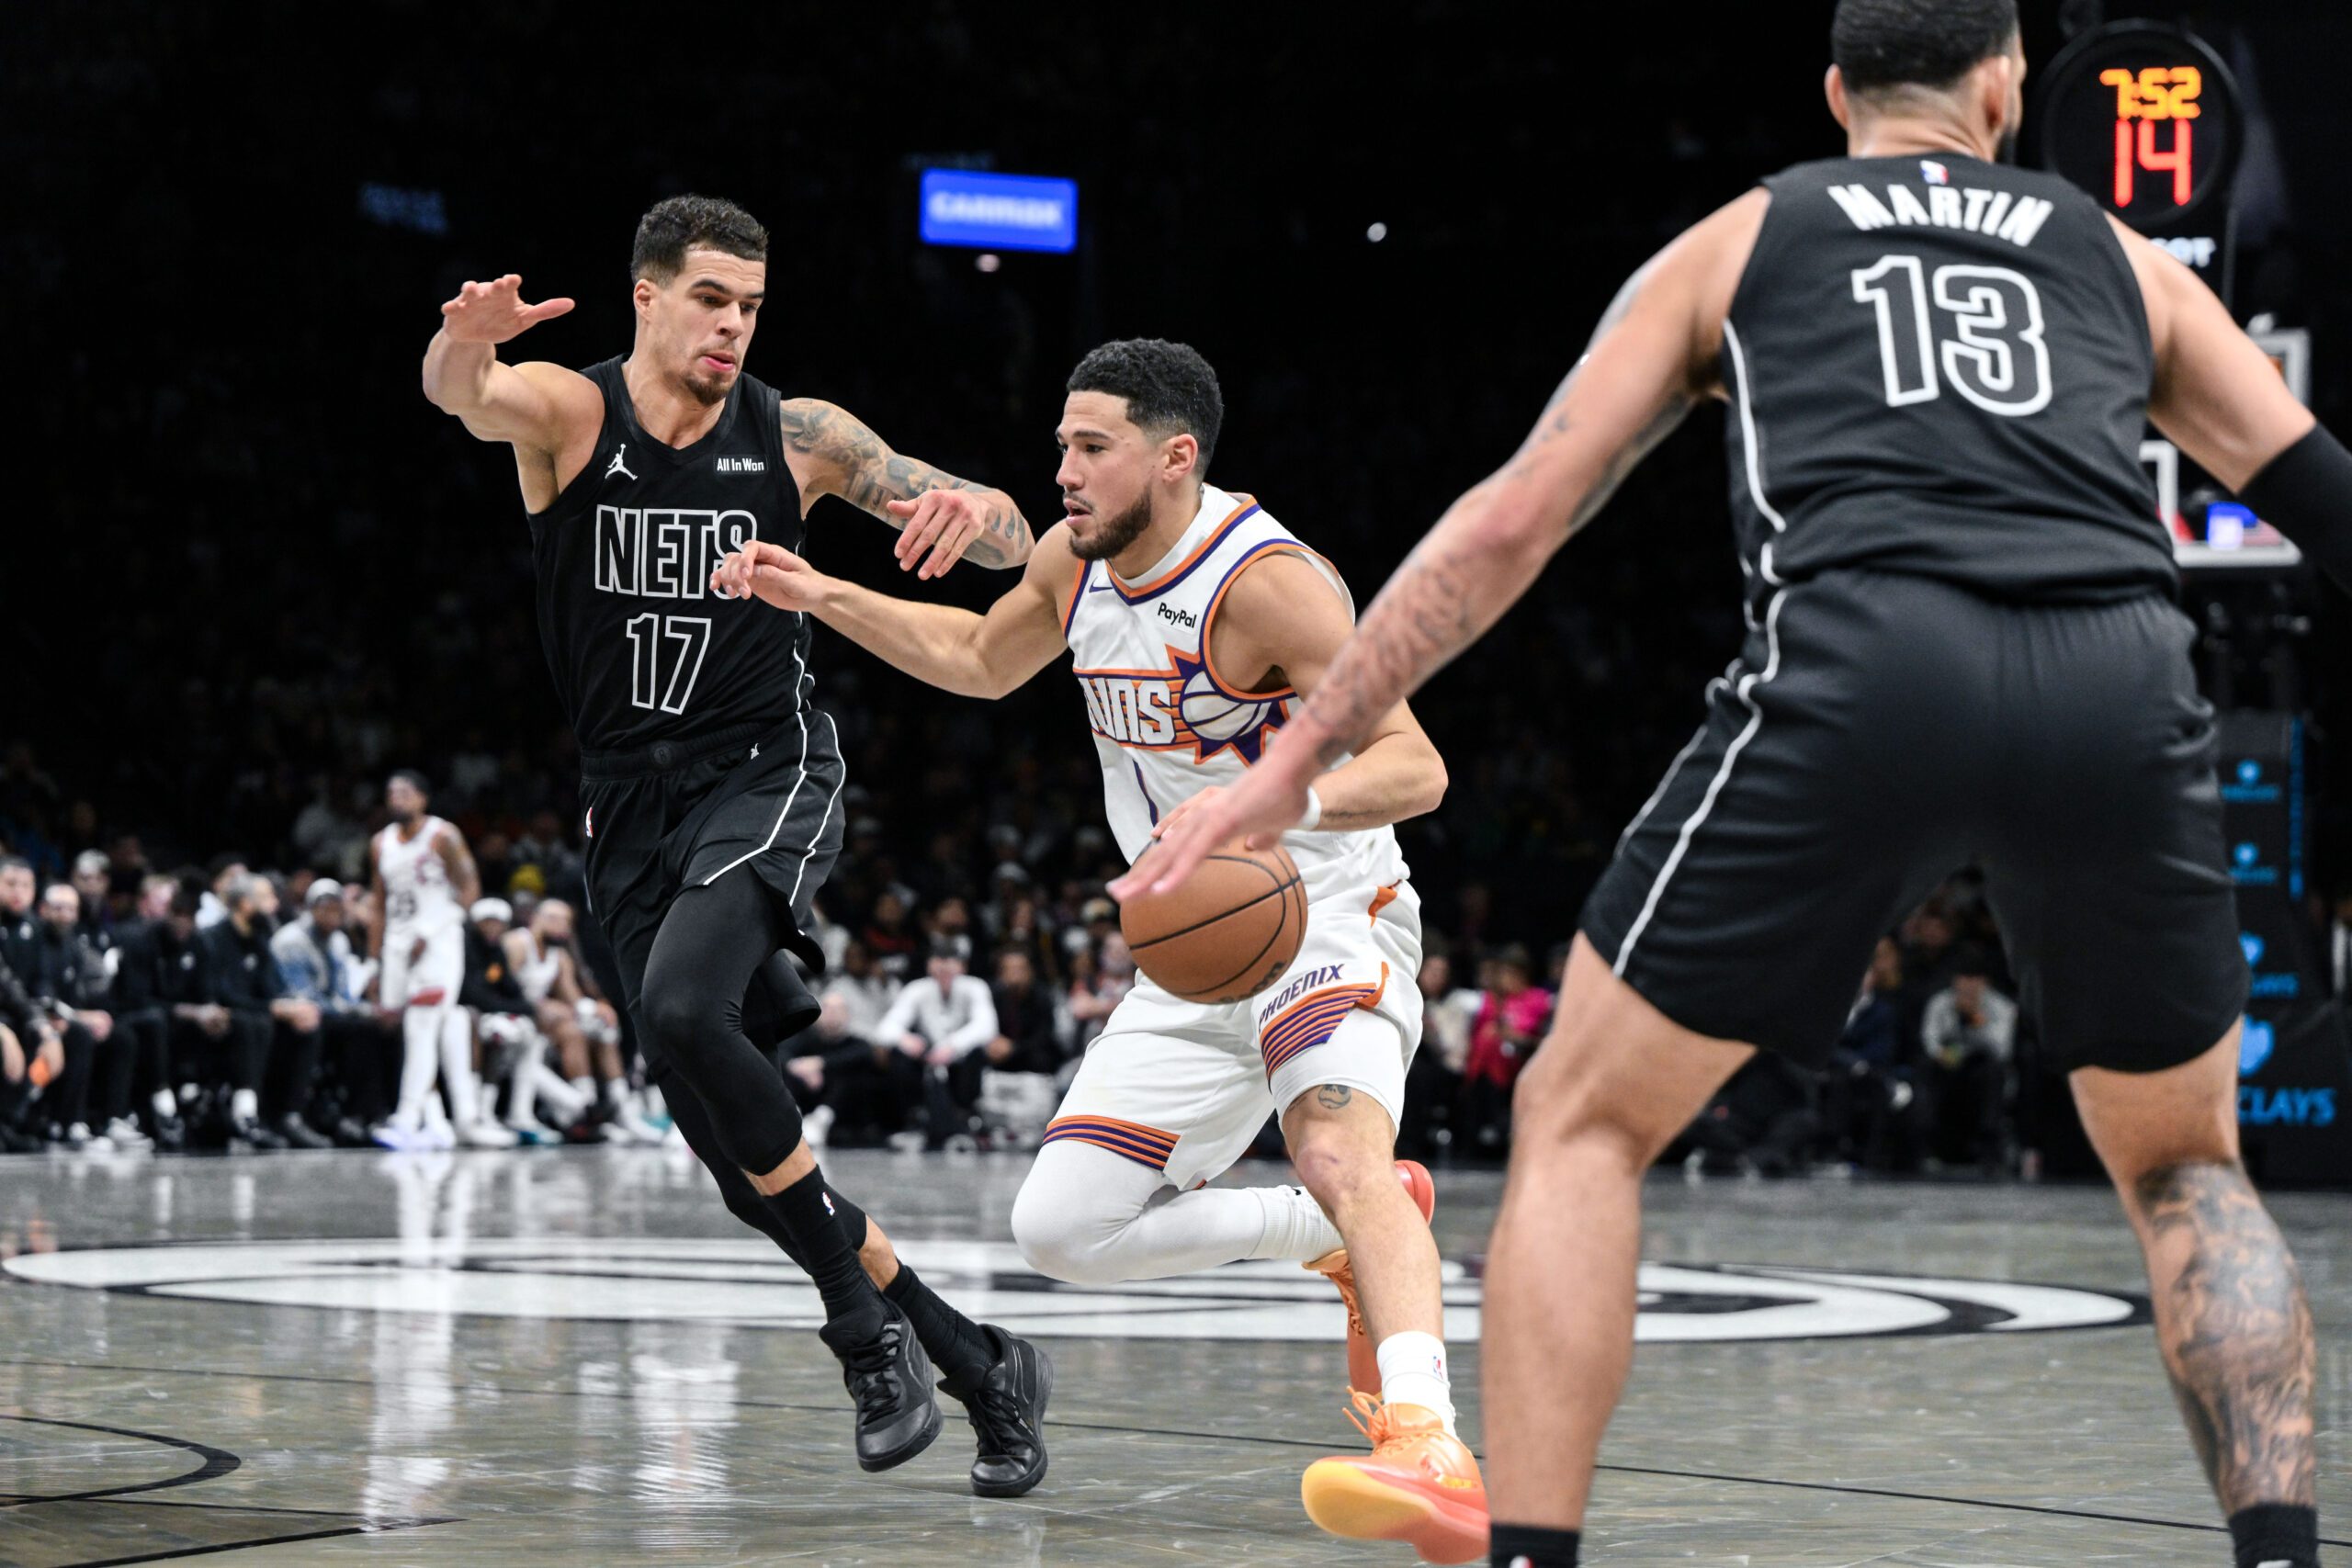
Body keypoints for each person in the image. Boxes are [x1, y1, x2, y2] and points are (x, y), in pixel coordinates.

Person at [1131, 4, 2335, 1563]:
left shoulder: (1745, 239)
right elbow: (2319, 490)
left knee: (1579, 1121)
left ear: (1839, 94)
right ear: (2005, 88)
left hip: (1867, 667)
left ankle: (1533, 1551)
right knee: (2186, 1161)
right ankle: (2286, 1552)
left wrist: (1290, 763)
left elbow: (1514, 522)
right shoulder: (2119, 255)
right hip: (2114, 673)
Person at [716, 337, 1481, 1560]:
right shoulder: (1076, 563)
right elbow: (978, 657)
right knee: (1063, 1228)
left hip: (1327, 907)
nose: (1061, 470)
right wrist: (821, 596)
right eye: (1061, 444)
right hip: (1193, 948)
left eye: (1091, 446)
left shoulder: (1268, 584)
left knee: (1341, 1143)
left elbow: (1413, 766)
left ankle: (1430, 1444)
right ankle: (1323, 1234)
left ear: (1174, 456)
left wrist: (1258, 807)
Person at [422, 193, 1048, 1493]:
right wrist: (463, 342)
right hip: (627, 807)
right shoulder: (572, 415)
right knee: (742, 1169)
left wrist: (982, 507)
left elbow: (1009, 542)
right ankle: (980, 1361)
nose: (733, 326)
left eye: (752, 305)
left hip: (767, 767)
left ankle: (860, 1333)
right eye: (711, 298)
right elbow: (463, 393)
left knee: (685, 1008)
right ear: (646, 295)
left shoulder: (798, 433)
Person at [368, 772, 511, 1150]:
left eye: (405, 792)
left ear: (423, 799)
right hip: (398, 946)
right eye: (391, 793)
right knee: (438, 1027)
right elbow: (378, 906)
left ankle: (407, 1120)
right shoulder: (380, 844)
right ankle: (454, 1120)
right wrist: (372, 959)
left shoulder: (442, 835)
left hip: (438, 941)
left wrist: (430, 930)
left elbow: (470, 889)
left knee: (422, 1024)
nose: (396, 799)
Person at [272, 877, 395, 1144]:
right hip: (293, 1013)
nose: (332, 915)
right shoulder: (291, 940)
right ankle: (293, 1115)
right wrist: (348, 1011)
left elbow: (342, 992)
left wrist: (359, 1009)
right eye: (325, 908)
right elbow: (301, 995)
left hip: (329, 1012)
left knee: (379, 1025)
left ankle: (363, 1114)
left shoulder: (339, 940)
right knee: (352, 1026)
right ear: (310, 909)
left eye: (337, 909)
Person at [874, 942, 1000, 1150]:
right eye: (938, 961)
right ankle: (915, 1119)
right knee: (898, 1056)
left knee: (979, 1052)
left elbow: (987, 1026)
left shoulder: (975, 987)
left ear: (962, 966)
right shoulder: (917, 989)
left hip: (960, 1061)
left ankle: (965, 1119)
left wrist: (953, 1046)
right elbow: (886, 1028)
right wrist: (906, 1039)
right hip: (926, 1060)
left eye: (950, 962)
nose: (944, 968)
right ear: (929, 966)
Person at [1918, 946, 2018, 1170]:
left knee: (1993, 1072)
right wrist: (1943, 1050)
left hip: (1981, 1069)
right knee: (1927, 1069)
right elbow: (1929, 1041)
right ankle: (1928, 1144)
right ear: (1955, 980)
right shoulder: (1940, 1003)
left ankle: (1989, 1147)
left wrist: (1976, 1021)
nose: (1969, 985)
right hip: (1949, 1067)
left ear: (1985, 982)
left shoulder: (2002, 1007)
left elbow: (2003, 1049)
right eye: (1964, 978)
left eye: (1975, 979)